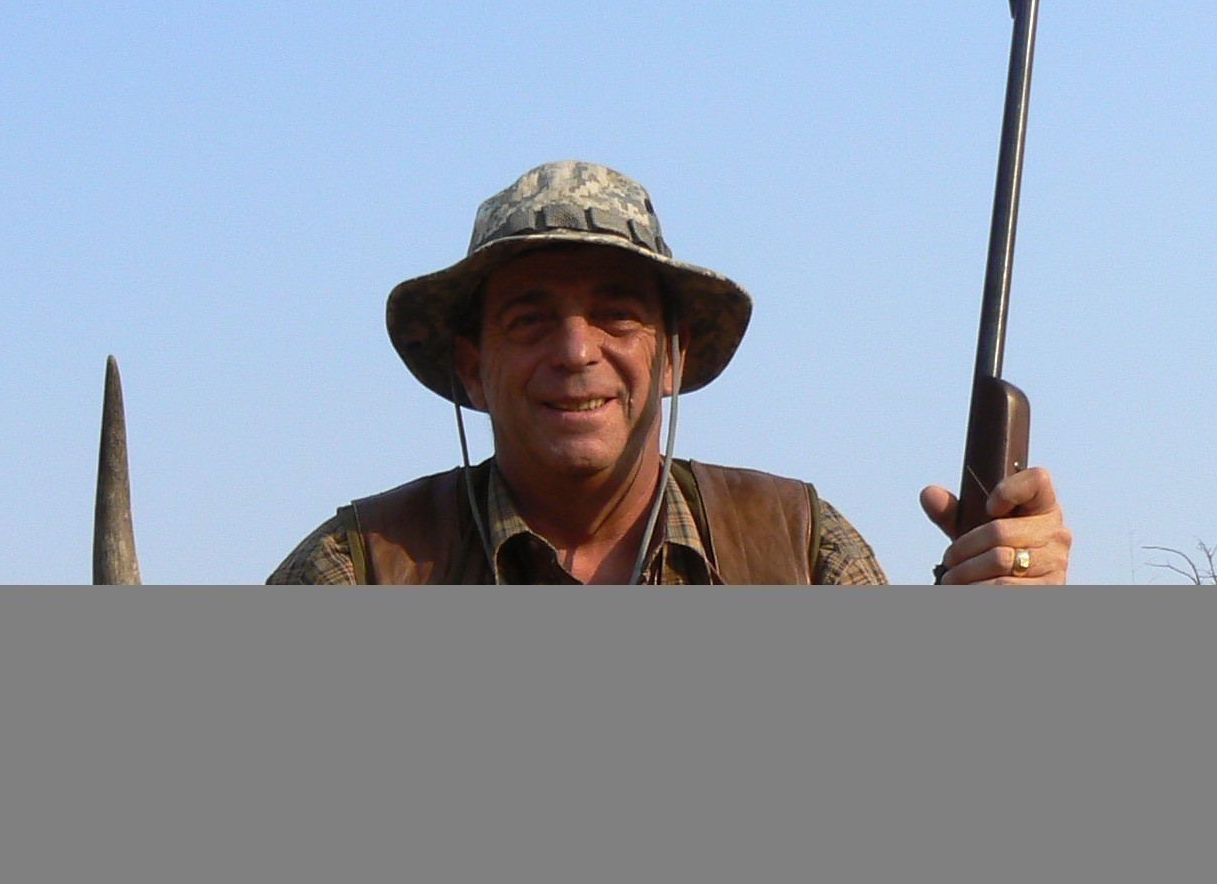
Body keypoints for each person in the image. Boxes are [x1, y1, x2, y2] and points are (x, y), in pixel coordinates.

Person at [266, 161, 1073, 587]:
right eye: (530, 319)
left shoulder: (800, 546)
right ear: (473, 371)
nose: (576, 350)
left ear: (674, 356)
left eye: (617, 313)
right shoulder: (362, 567)